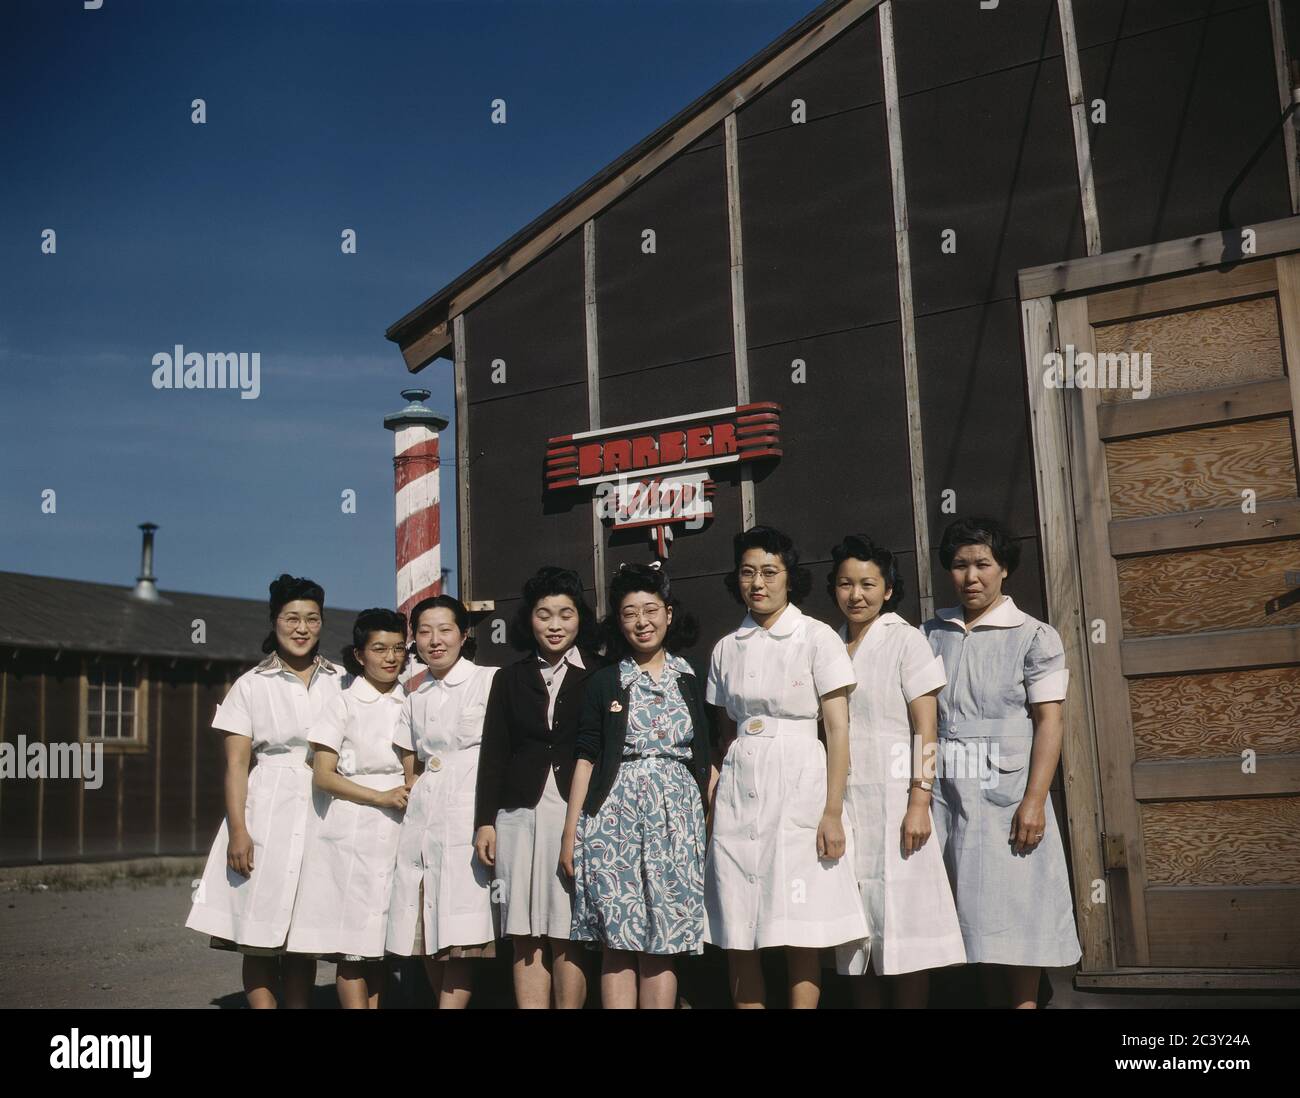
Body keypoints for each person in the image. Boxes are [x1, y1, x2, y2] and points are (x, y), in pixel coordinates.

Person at [705, 526, 868, 1008]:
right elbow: (724, 734)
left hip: (799, 780)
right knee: (738, 926)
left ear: (789, 578)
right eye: (748, 573)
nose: (758, 583)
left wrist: (832, 811)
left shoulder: (816, 638)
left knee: (801, 925)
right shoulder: (725, 647)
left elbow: (837, 730)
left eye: (770, 572)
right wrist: (717, 799)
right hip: (739, 786)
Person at [923, 516, 1082, 1008]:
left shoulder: (1034, 636)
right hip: (947, 791)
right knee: (971, 914)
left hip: (1008, 793)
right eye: (959, 565)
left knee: (1016, 909)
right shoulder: (930, 633)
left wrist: (1034, 800)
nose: (972, 576)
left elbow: (1049, 723)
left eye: (983, 564)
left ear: (1004, 569)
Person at [561, 563, 715, 1009]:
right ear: (619, 622)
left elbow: (708, 751)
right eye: (630, 613)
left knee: (664, 939)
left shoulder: (691, 677)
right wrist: (571, 834)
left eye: (650, 610)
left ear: (669, 614)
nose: (641, 622)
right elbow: (586, 757)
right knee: (618, 938)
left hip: (677, 820)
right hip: (613, 819)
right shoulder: (604, 681)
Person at [186, 574, 344, 1008]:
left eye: (312, 619)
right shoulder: (251, 685)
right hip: (267, 811)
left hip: (324, 809)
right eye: (291, 618)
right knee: (257, 930)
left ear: (322, 623)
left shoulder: (342, 681)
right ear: (274, 621)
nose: (301, 628)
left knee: (301, 933)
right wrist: (239, 830)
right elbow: (237, 766)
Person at [828, 536, 965, 1008]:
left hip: (896, 802)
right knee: (855, 935)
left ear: (888, 590)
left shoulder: (905, 639)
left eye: (868, 584)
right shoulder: (830, 645)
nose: (856, 594)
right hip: (844, 804)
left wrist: (919, 800)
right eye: (846, 584)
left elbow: (927, 728)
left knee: (905, 931)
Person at [474, 566, 601, 1008]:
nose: (555, 624)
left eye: (565, 614)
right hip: (517, 816)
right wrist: (485, 822)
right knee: (524, 932)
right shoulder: (508, 678)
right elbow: (493, 753)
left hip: (575, 815)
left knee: (567, 933)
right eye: (544, 614)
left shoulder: (601, 675)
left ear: (580, 618)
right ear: (529, 620)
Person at [286, 609, 410, 1008]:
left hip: (398, 827)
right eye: (379, 649)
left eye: (397, 649)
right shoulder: (342, 703)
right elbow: (323, 776)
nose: (390, 658)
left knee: (378, 944)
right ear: (359, 655)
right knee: (352, 947)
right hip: (351, 827)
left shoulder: (411, 700)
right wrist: (379, 797)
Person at [386, 594, 499, 1008]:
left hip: (470, 806)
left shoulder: (489, 680)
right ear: (413, 639)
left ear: (463, 634)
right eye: (424, 631)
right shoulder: (414, 697)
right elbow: (408, 761)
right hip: (423, 815)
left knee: (460, 930)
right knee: (425, 924)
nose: (435, 640)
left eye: (445, 629)